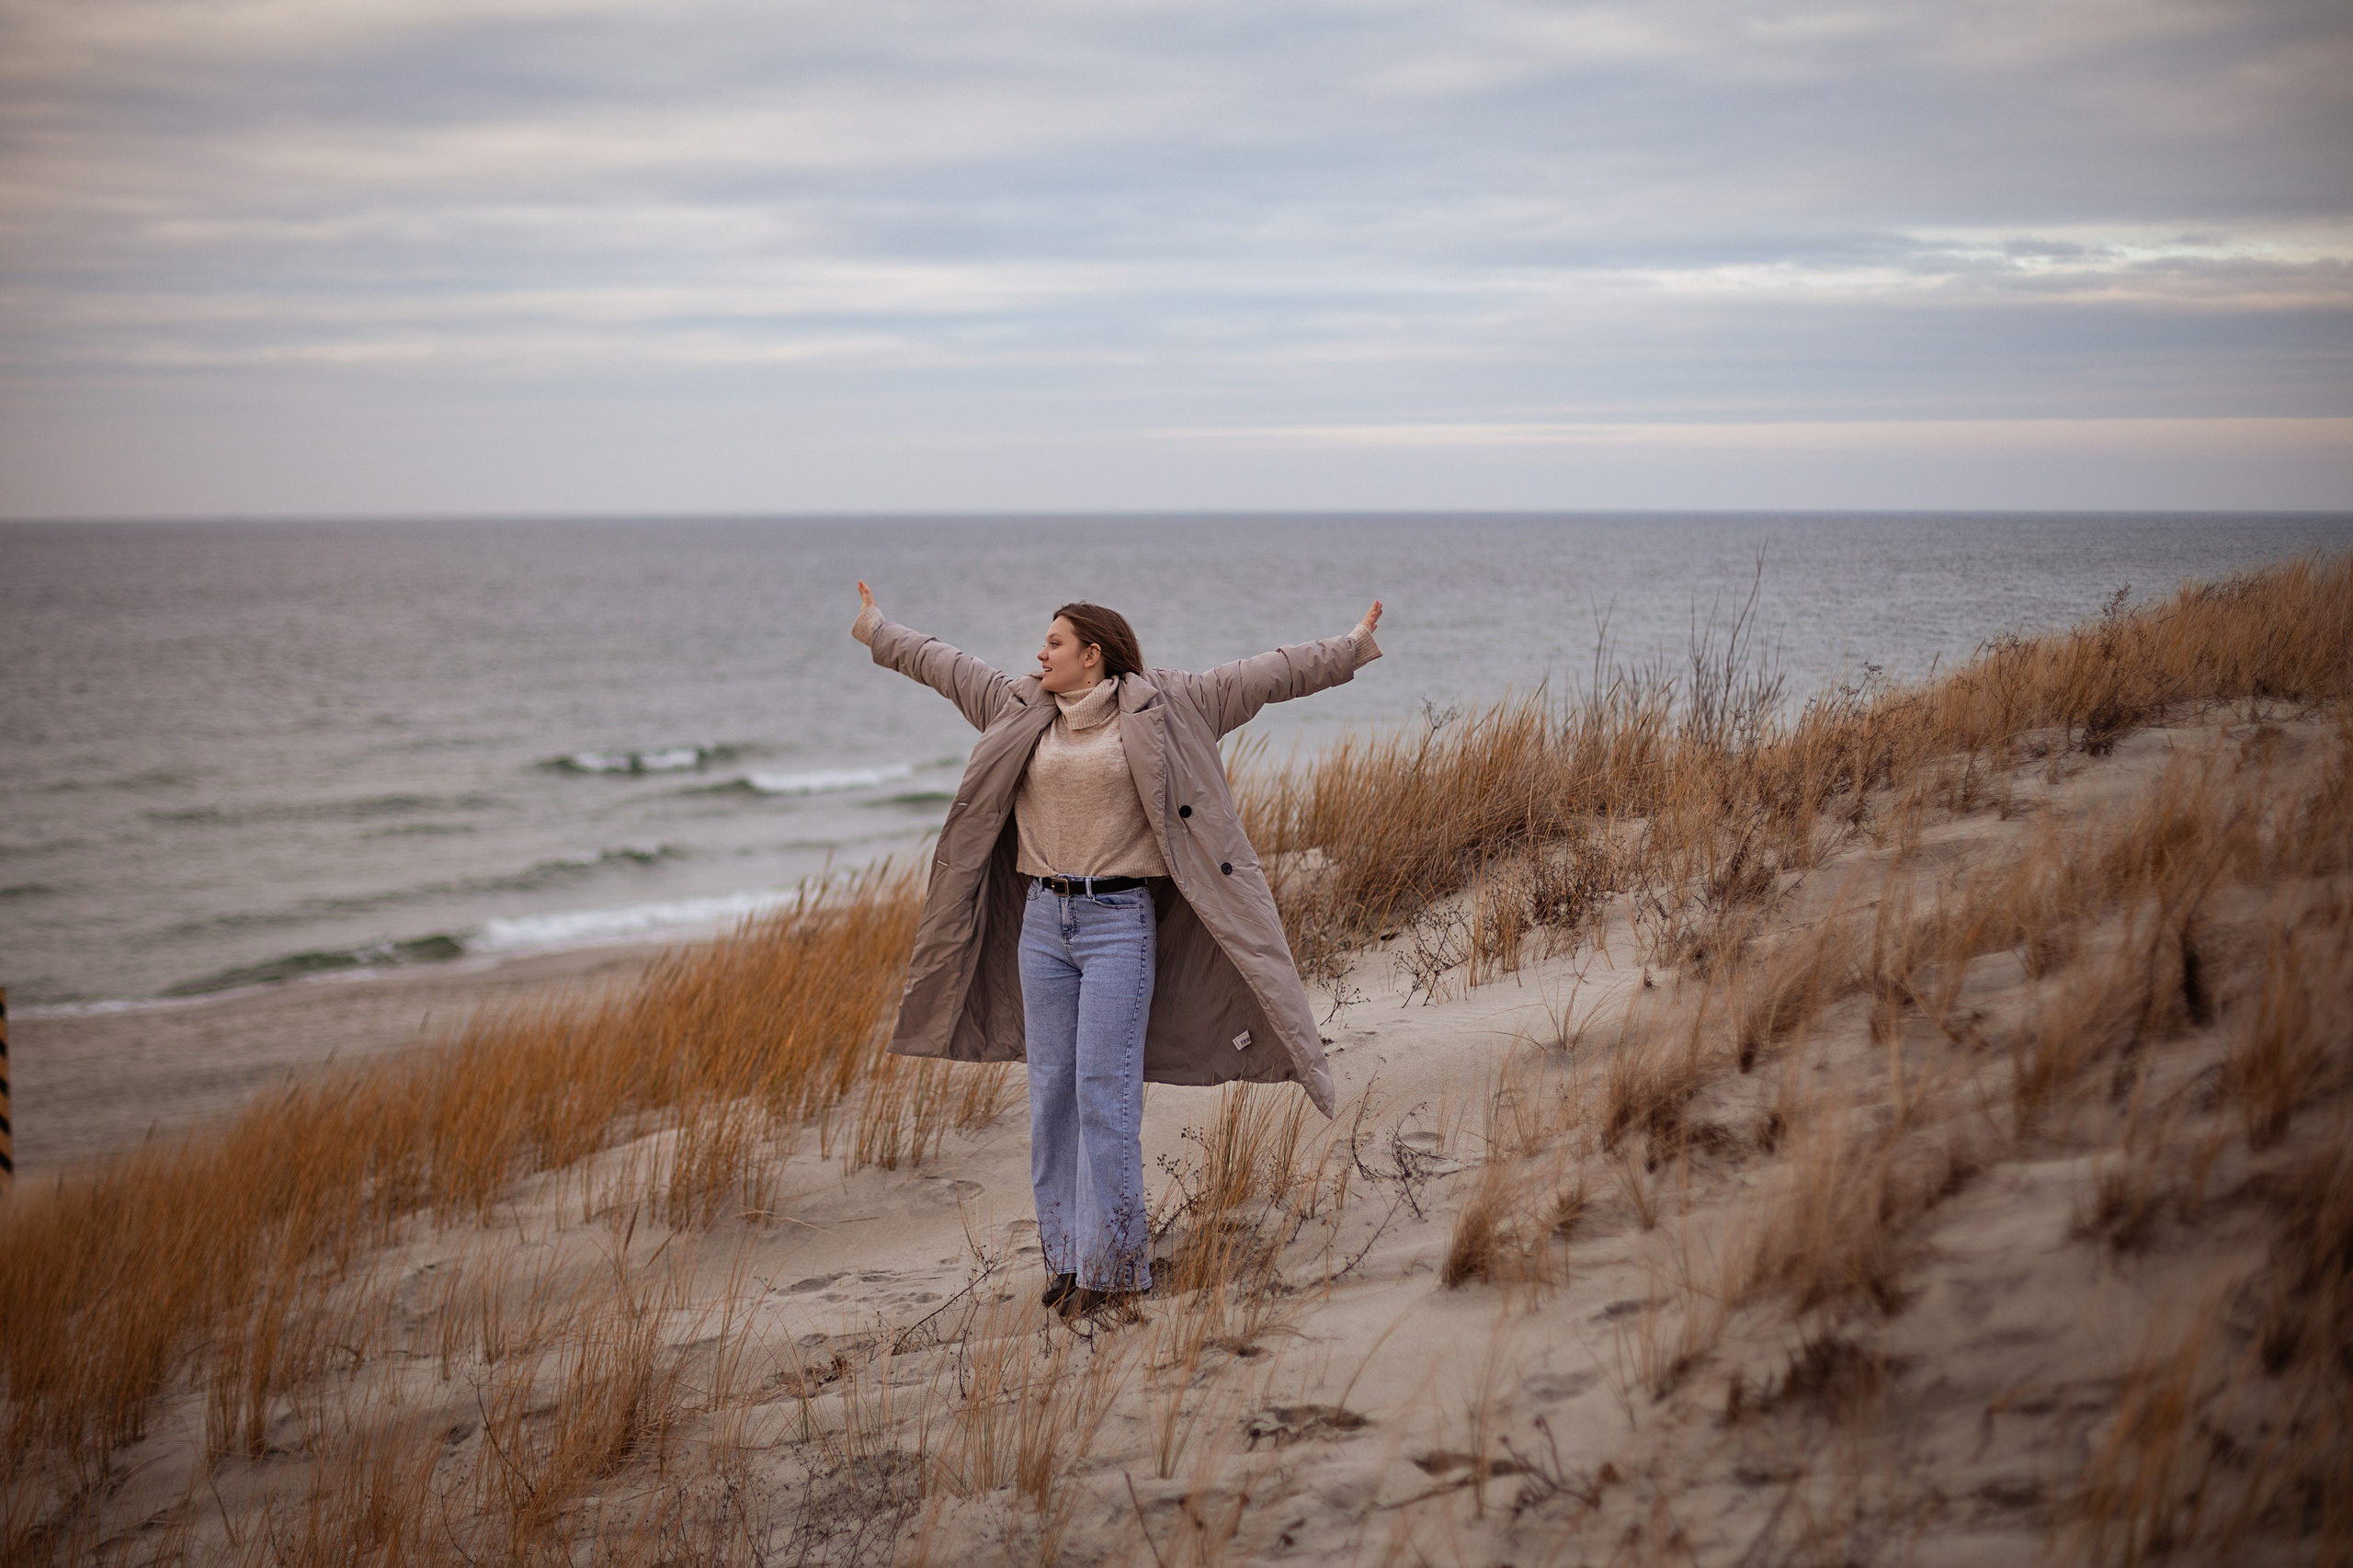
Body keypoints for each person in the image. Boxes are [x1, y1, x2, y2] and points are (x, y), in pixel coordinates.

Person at [851, 583, 1382, 1313]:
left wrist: (1351, 648)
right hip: (1043, 925)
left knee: (1106, 1099)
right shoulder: (1019, 705)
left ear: (1093, 655)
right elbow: (945, 664)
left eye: (1055, 643)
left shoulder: (1172, 703)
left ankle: (1117, 1270)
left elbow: (1268, 673)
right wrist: (878, 629)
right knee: (1052, 1099)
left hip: (1117, 926)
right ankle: (1066, 1259)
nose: (1040, 653)